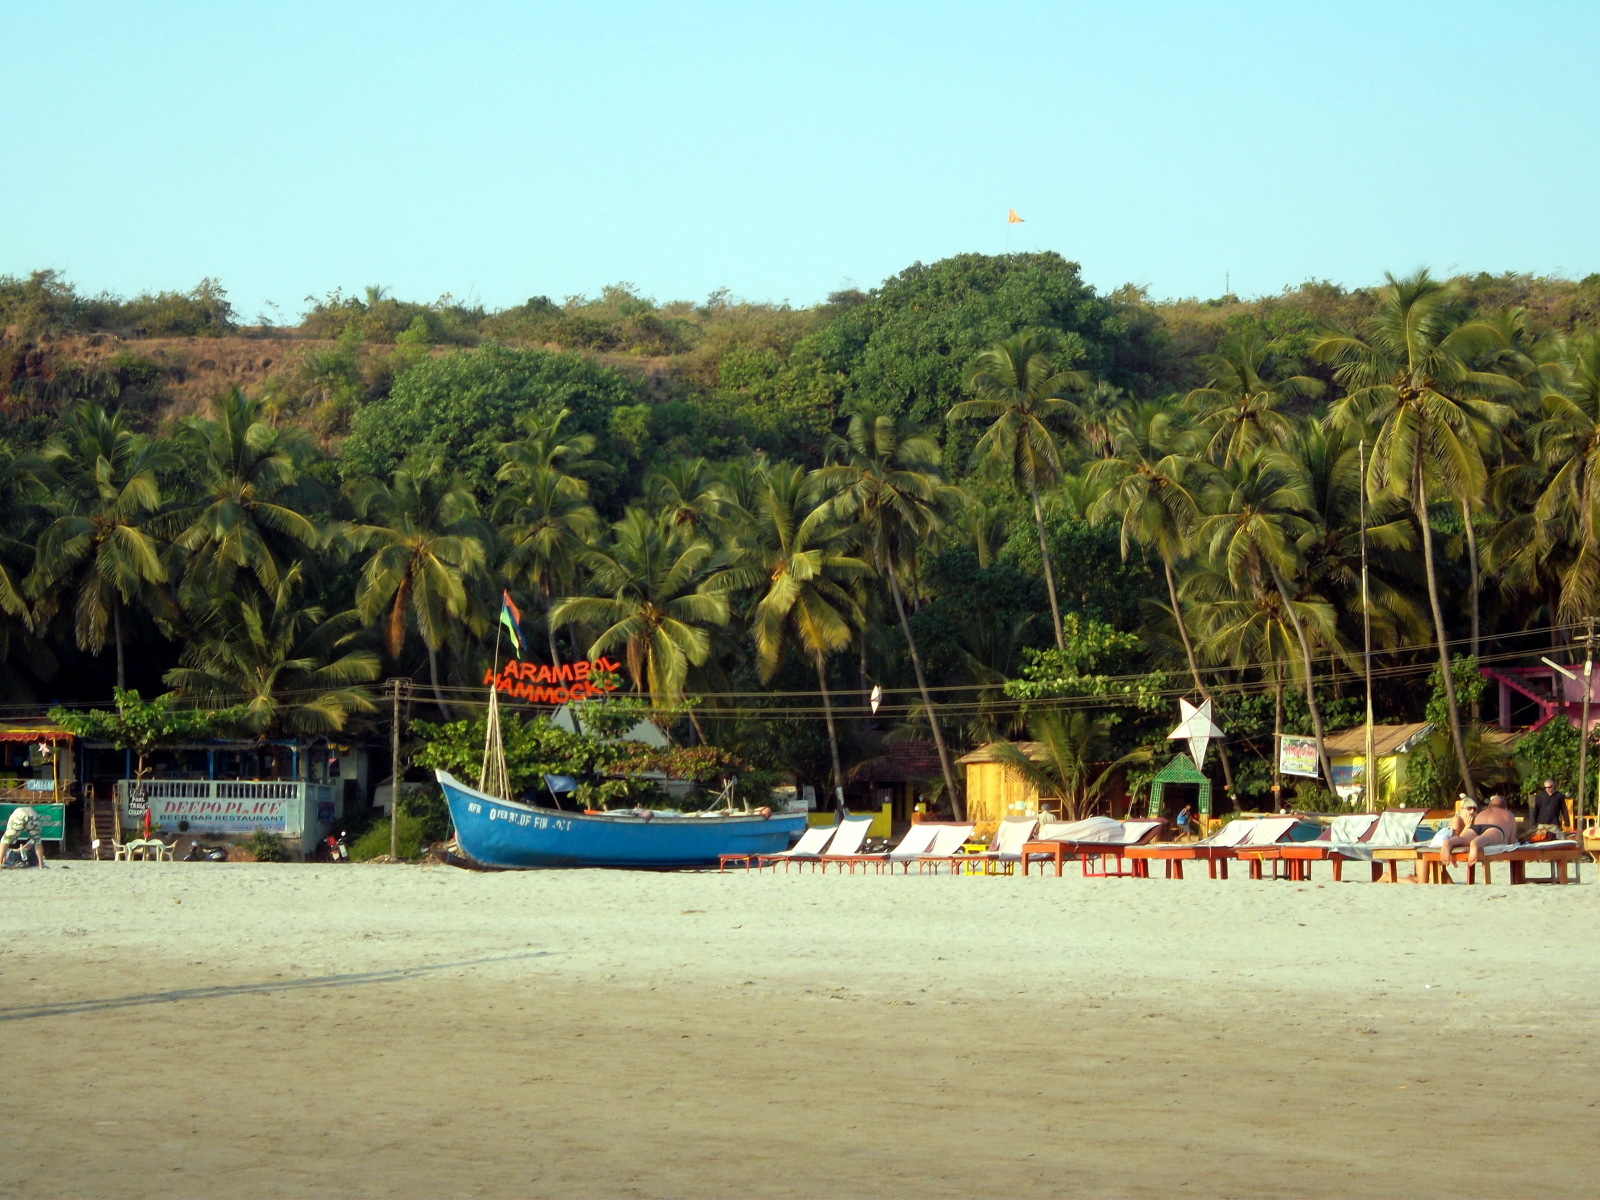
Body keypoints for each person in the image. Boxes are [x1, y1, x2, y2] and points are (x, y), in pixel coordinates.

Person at [1438, 792, 1517, 870]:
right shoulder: (1508, 814)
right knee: (1486, 838)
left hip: (1476, 827)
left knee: (1464, 839)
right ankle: (1476, 843)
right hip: (1495, 829)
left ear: (1489, 806)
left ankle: (1450, 842)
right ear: (1505, 807)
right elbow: (1512, 842)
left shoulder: (1482, 813)